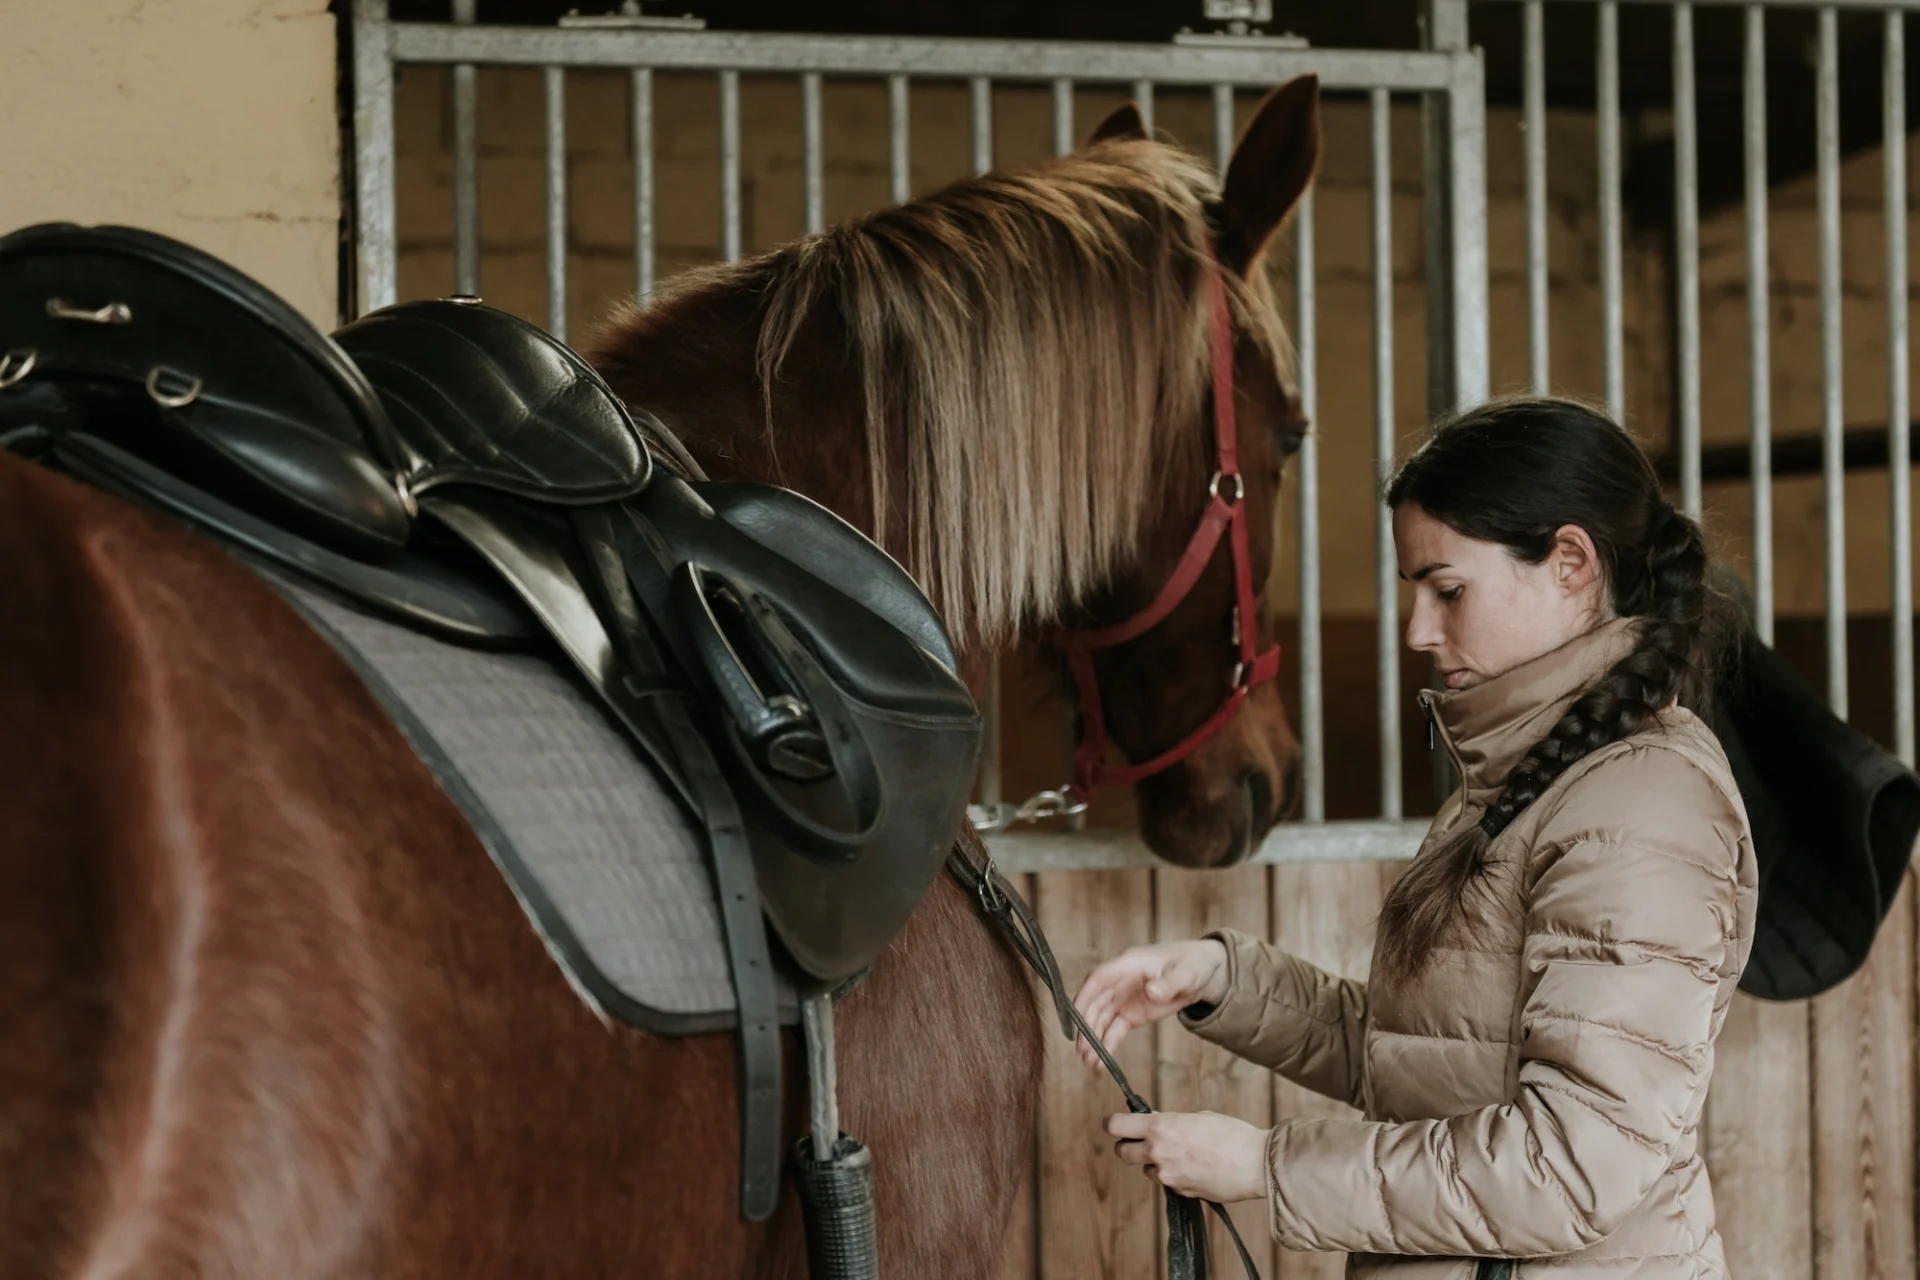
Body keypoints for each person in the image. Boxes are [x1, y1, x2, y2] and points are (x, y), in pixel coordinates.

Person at [1073, 398, 1757, 1278]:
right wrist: (1221, 980)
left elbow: (1574, 1168)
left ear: (1570, 563)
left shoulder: (1642, 808)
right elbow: (1433, 1062)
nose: (1418, 632)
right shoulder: (1531, 778)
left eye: (1449, 591)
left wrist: (1266, 1166)